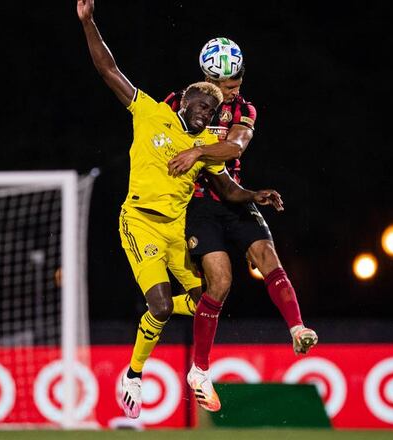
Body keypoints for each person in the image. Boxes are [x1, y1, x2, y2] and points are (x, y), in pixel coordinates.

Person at [77, 0, 285, 418]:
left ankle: (194, 368)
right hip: (140, 222)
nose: (207, 114)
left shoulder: (203, 147)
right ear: (184, 102)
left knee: (208, 297)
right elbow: (108, 70)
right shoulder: (151, 113)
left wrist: (255, 195)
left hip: (176, 229)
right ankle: (133, 375)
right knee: (161, 306)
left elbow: (227, 188)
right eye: (201, 106)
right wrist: (88, 22)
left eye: (212, 110)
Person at [162, 43, 318, 411]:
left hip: (233, 196)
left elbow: (235, 147)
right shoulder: (179, 102)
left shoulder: (244, 109)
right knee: (220, 281)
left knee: (266, 254)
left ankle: (297, 329)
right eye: (227, 84)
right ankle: (200, 371)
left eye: (237, 82)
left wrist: (198, 151)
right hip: (196, 205)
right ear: (207, 79)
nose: (234, 89)